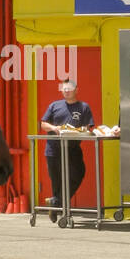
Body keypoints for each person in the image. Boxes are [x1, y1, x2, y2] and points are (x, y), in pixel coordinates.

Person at [40, 79, 95, 220]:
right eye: (63, 88)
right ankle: (60, 210)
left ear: (76, 89)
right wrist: (54, 128)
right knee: (56, 182)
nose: (66, 91)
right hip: (53, 149)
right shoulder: (54, 106)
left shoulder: (83, 107)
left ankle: (56, 202)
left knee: (78, 174)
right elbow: (43, 124)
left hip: (73, 148)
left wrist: (82, 130)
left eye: (69, 88)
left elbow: (88, 127)